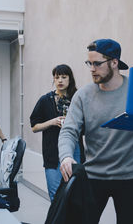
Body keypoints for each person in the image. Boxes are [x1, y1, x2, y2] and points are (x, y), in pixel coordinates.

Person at [58, 39, 133, 224]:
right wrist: (66, 156)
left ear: (114, 62)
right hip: (94, 176)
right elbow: (69, 130)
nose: (92, 69)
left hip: (129, 177)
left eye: (97, 63)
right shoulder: (83, 95)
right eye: (89, 63)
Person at [30, 64, 84, 201]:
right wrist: (52, 122)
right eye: (56, 77)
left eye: (64, 77)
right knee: (55, 196)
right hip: (52, 153)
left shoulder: (77, 99)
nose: (60, 80)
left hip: (74, 149)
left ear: (70, 79)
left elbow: (86, 126)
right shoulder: (45, 100)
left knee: (75, 193)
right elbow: (34, 127)